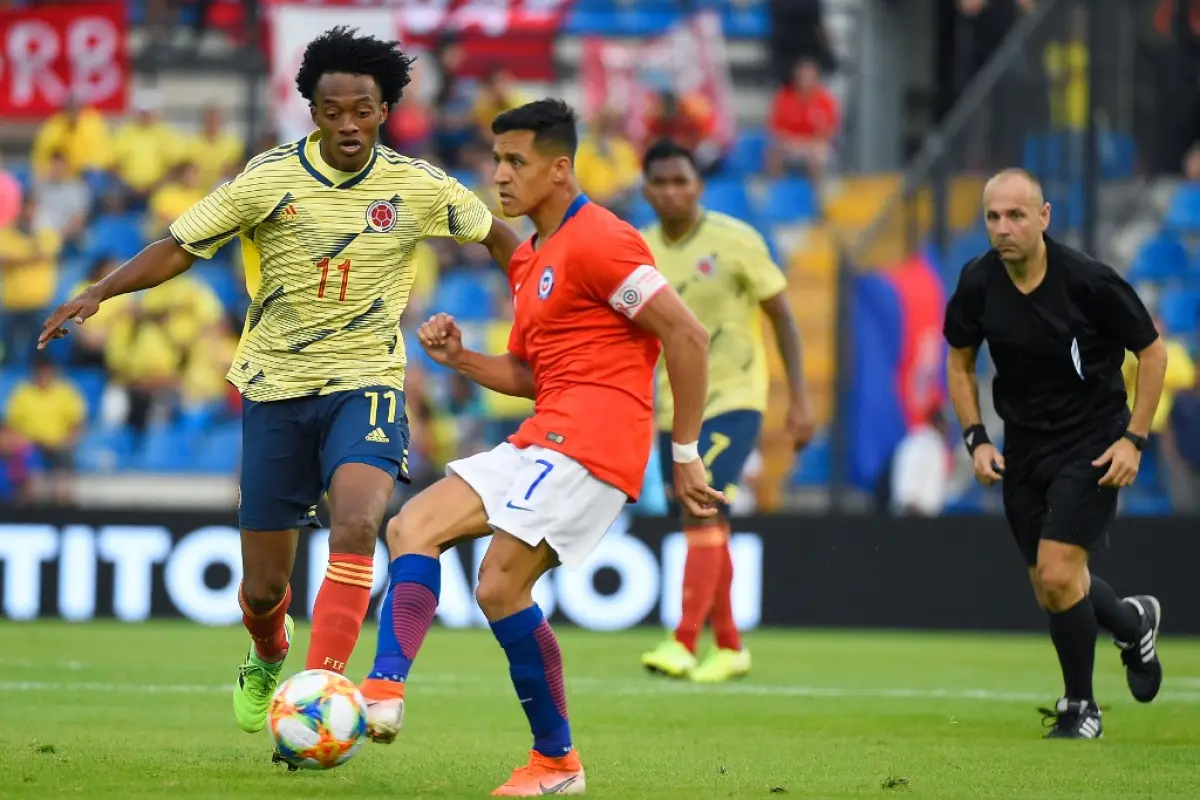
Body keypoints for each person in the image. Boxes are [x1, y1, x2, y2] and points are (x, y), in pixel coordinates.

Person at [38, 26, 521, 736]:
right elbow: (179, 245)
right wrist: (99, 291)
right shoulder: (269, 178)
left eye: (363, 109)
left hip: (368, 382)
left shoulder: (418, 185)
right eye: (334, 111)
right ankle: (269, 654)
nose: (349, 124)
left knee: (358, 522)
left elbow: (500, 238)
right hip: (275, 388)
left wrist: (547, 296)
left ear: (385, 109)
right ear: (313, 112)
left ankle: (321, 694)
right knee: (265, 588)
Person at [355, 99, 721, 797]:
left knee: (497, 584)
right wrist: (463, 359)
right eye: (496, 160)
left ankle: (556, 762)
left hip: (595, 443)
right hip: (544, 432)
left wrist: (684, 452)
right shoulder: (529, 258)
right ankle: (383, 689)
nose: (498, 175)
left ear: (559, 169)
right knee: (410, 526)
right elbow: (531, 375)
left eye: (515, 161)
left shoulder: (603, 240)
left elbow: (687, 335)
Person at [943, 168, 1168, 739]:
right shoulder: (977, 282)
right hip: (1024, 444)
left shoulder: (1089, 281)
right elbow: (960, 361)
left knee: (1058, 570)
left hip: (1094, 438)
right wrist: (976, 437)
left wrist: (1133, 439)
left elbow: (1152, 352)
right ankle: (1132, 620)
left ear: (1043, 217)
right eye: (993, 216)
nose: (1003, 228)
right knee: (1053, 586)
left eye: (1016, 215)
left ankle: (1080, 709)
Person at [635, 139, 815, 684]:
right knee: (710, 521)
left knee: (701, 510)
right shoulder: (637, 249)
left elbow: (782, 316)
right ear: (646, 190)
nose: (671, 191)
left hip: (734, 397)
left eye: (680, 180)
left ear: (699, 186)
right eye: (660, 182)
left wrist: (800, 399)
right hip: (673, 409)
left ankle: (684, 640)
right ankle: (731, 645)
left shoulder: (736, 242)